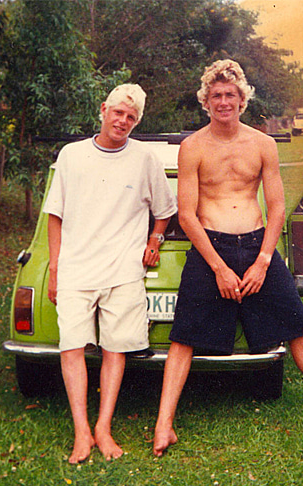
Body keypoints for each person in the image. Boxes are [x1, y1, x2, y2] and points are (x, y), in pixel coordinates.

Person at [153, 60, 303, 457]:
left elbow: (276, 208)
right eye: (216, 95)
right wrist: (219, 267)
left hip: (257, 246)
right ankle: (164, 425)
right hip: (210, 249)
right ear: (206, 101)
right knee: (183, 338)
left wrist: (263, 260)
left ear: (243, 100)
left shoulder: (262, 144)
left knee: (298, 330)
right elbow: (186, 214)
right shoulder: (193, 147)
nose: (224, 102)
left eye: (231, 95)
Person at [44, 84, 177, 463]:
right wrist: (55, 269)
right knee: (71, 348)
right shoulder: (72, 155)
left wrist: (154, 239)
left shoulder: (145, 158)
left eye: (131, 117)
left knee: (115, 350)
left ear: (137, 122)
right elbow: (56, 214)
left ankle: (103, 428)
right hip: (76, 269)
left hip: (123, 270)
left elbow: (165, 209)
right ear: (103, 110)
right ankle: (81, 432)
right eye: (118, 112)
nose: (123, 121)